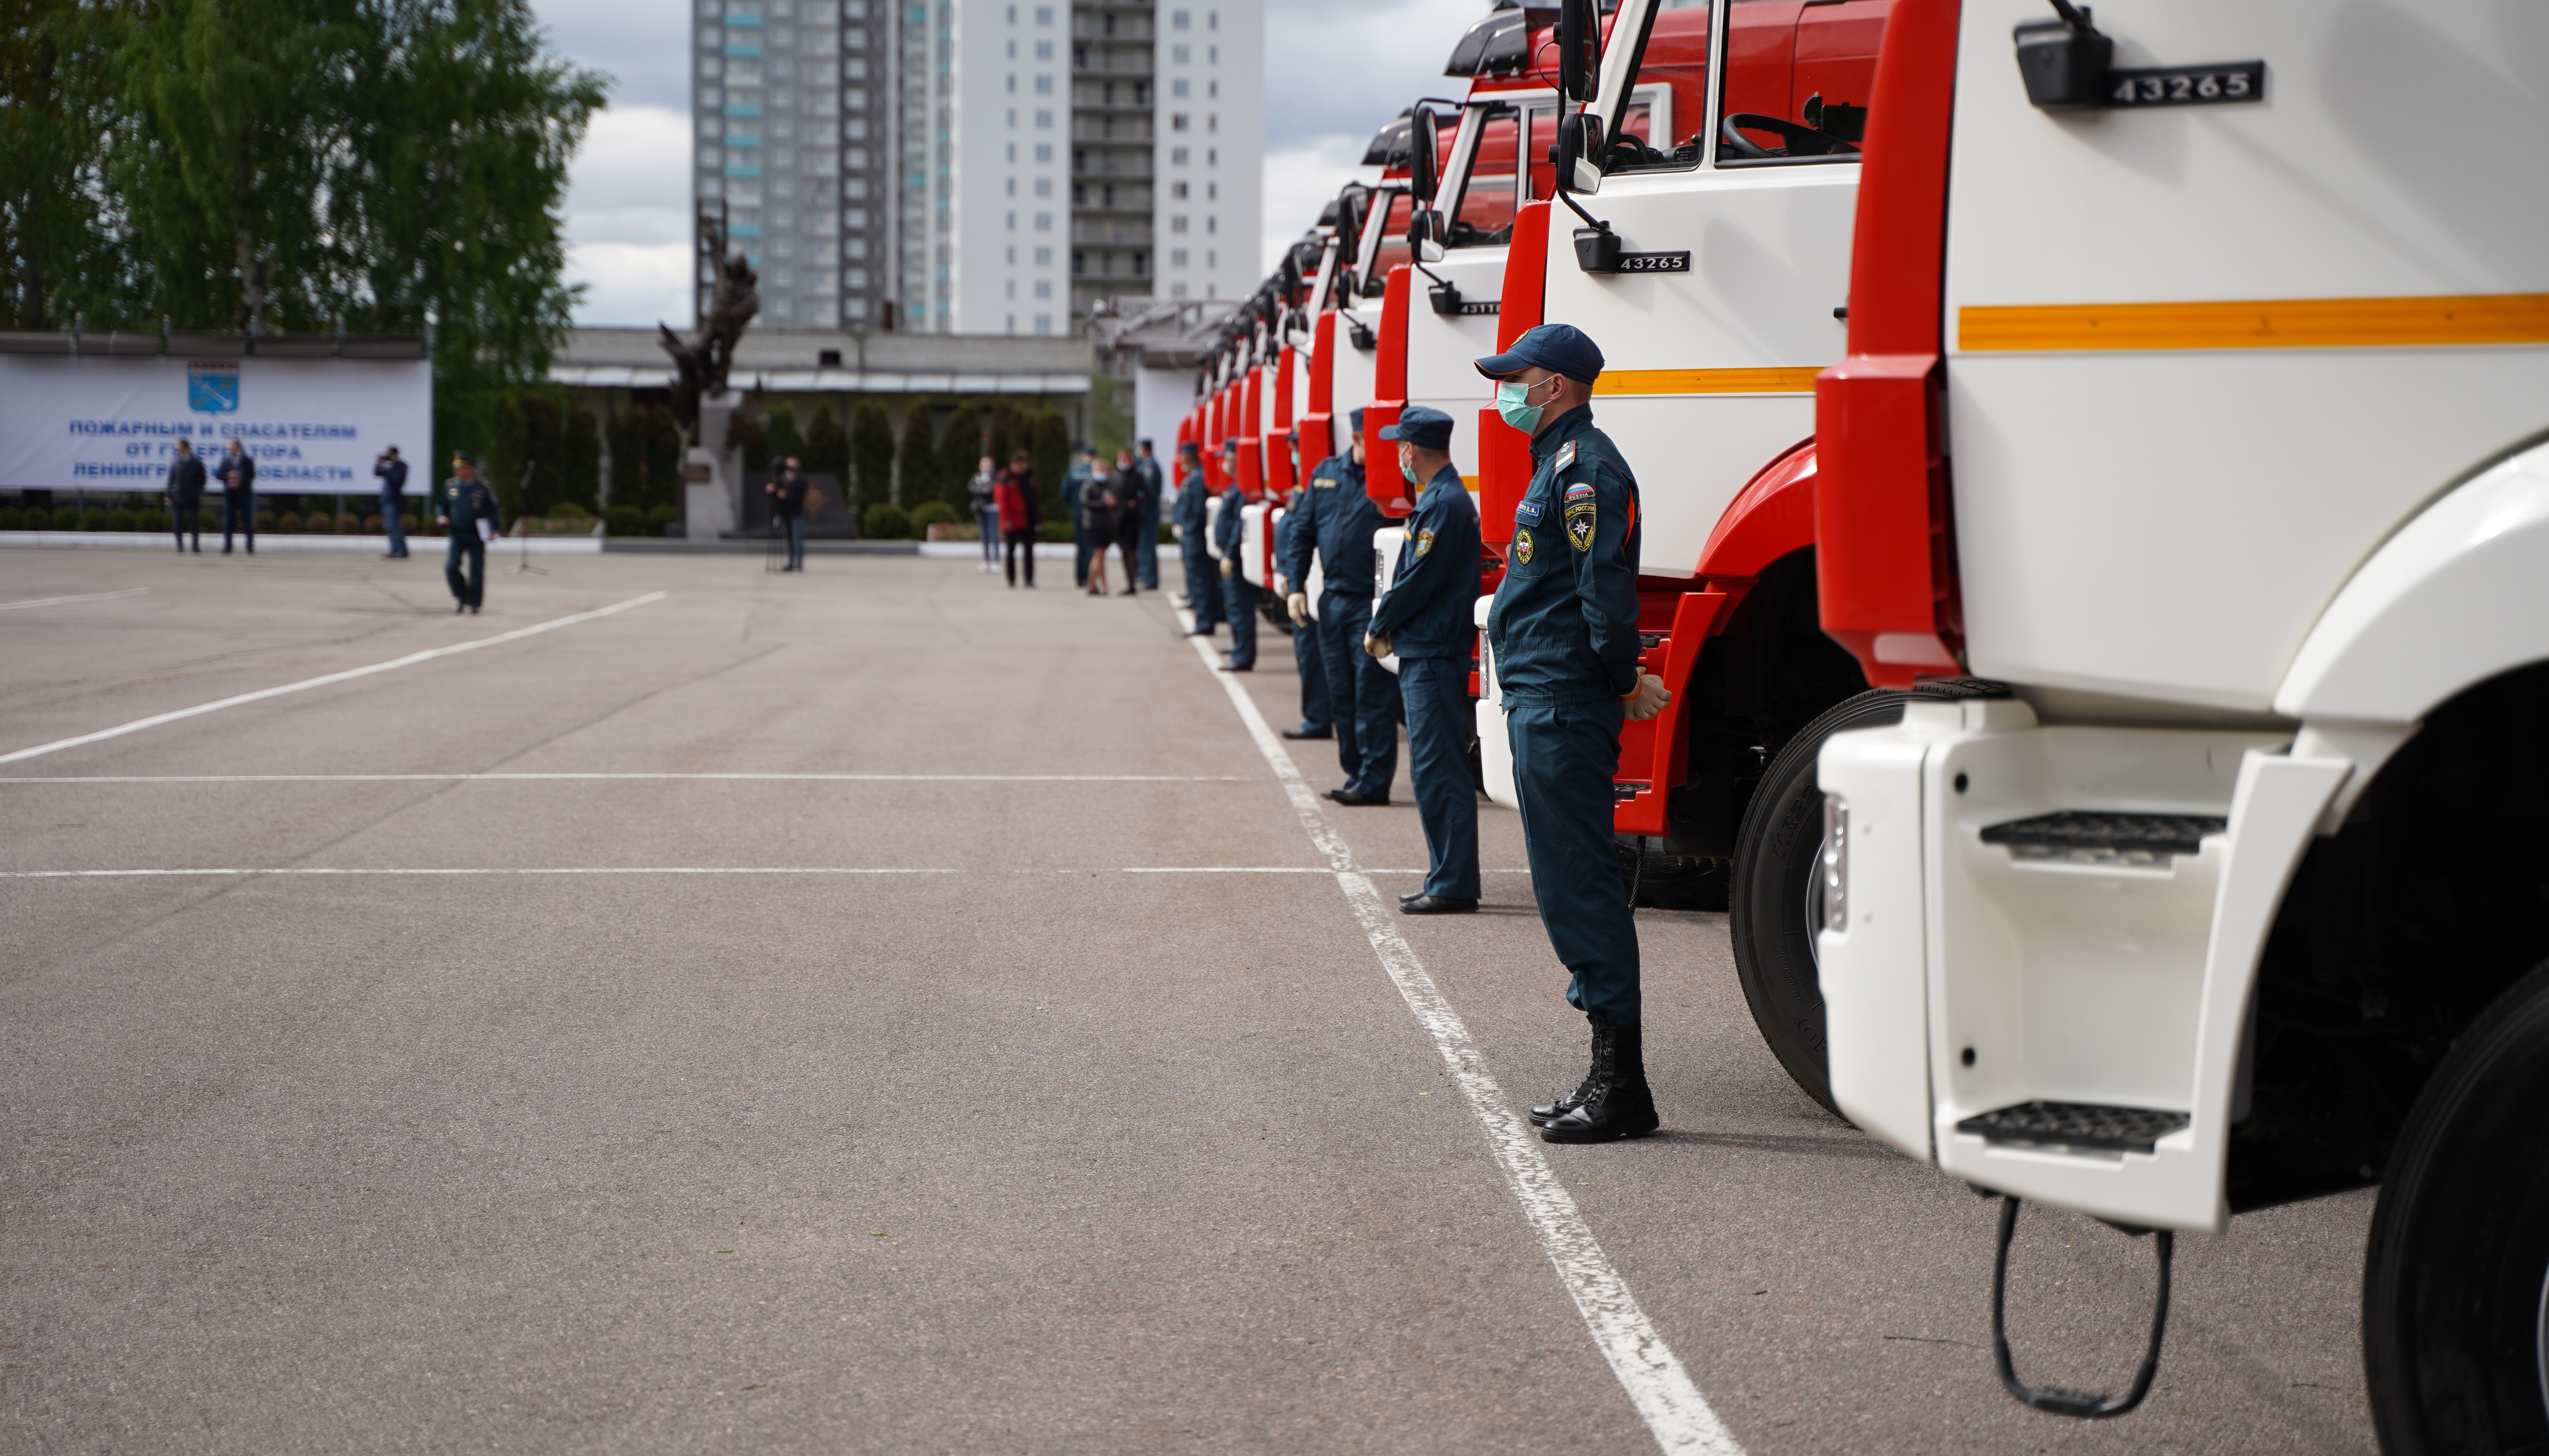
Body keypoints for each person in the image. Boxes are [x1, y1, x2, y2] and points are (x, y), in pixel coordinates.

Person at [1473, 324, 1673, 1143]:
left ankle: (1621, 1086)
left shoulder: (1584, 466)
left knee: (1578, 886)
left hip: (1561, 700)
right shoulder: (1555, 462)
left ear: (1553, 385)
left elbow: (1604, 593)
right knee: (1565, 887)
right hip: (1544, 696)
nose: (1503, 392)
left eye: (1513, 378)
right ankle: (1609, 1075)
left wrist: (1622, 680)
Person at [1366, 406, 1485, 915]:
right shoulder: (1443, 500)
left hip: (1433, 652)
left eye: (1399, 448)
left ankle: (1453, 883)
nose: (1398, 456)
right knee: (1434, 769)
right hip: (1429, 650)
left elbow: (1417, 580)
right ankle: (1445, 875)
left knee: (1440, 770)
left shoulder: (1443, 505)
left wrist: (1379, 623)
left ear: (1410, 450)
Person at [1278, 407, 1398, 807]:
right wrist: (1295, 586)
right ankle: (1354, 771)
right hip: (1331, 601)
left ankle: (1373, 780)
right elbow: (1301, 531)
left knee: (1371, 694)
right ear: (1357, 438)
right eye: (1365, 439)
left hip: (1369, 601)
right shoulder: (1327, 473)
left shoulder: (1393, 480)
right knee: (1340, 692)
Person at [1273, 476, 1331, 740]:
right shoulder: (1303, 489)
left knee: (1311, 654)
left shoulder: (1317, 487)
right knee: (1307, 654)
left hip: (1312, 585)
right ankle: (1316, 716)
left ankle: (1318, 718)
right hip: (1300, 583)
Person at [436, 452, 502, 614]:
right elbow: (441, 505)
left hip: (475, 534)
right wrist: (441, 515)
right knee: (451, 567)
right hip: (457, 533)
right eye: (456, 468)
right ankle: (461, 597)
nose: (458, 471)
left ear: (470, 469)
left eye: (461, 468)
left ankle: (474, 603)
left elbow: (493, 510)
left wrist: (493, 530)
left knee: (476, 570)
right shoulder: (450, 487)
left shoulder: (482, 488)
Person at [1172, 440, 1224, 637]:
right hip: (1191, 536)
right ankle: (1207, 617)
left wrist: (1188, 529)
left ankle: (1204, 621)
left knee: (1201, 580)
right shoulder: (1193, 477)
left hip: (1195, 537)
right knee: (1199, 579)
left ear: (1187, 457)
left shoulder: (1196, 479)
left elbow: (1197, 511)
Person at [1212, 438, 1255, 671]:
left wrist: (1230, 554)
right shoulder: (1236, 486)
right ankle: (1240, 647)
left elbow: (1240, 524)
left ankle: (1243, 656)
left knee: (1240, 608)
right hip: (1230, 556)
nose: (1225, 463)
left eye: (1227, 458)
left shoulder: (1243, 488)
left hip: (1235, 559)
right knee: (1234, 607)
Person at [995, 448, 1041, 587]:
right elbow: (1001, 502)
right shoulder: (1004, 478)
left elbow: (1035, 499)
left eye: (1026, 464)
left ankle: (1029, 579)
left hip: (1028, 520)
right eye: (1021, 465)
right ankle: (1011, 579)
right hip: (1012, 521)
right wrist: (1004, 521)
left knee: (1029, 551)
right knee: (1010, 551)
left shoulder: (1029, 478)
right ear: (1014, 464)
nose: (1024, 468)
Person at [1082, 452, 1120, 596]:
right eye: (1099, 470)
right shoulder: (1089, 486)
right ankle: (1095, 584)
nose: (1101, 473)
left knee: (1101, 555)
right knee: (1098, 555)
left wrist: (1114, 503)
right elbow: (1087, 503)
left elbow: (1116, 503)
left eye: (1104, 470)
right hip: (1093, 524)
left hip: (1106, 524)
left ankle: (1095, 585)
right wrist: (1104, 504)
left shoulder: (1109, 486)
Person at [1110, 448, 1146, 596]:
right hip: (1118, 518)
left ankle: (1132, 583)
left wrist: (1136, 502)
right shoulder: (1114, 477)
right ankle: (1129, 581)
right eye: (1121, 459)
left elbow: (1146, 495)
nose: (1124, 462)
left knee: (1130, 549)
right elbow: (1108, 492)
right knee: (1124, 550)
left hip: (1132, 518)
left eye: (1126, 459)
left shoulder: (1137, 477)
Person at [1063, 447, 1099, 587]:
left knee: (1080, 546)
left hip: (1078, 512)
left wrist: (1073, 505)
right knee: (1091, 547)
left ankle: (1080, 577)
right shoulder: (1096, 472)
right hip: (1094, 513)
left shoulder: (1073, 472)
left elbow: (1065, 493)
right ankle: (1089, 576)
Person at [766, 455, 810, 570]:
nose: (791, 467)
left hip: (796, 513)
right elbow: (773, 494)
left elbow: (800, 495)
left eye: (794, 465)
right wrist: (771, 491)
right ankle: (791, 562)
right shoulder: (780, 480)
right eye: (790, 465)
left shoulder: (801, 481)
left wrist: (787, 496)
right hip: (784, 512)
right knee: (788, 539)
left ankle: (798, 562)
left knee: (797, 539)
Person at [213, 437, 256, 554]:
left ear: (238, 447)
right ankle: (228, 546)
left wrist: (240, 482)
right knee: (228, 522)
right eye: (229, 447)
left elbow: (252, 476)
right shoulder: (226, 460)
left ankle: (249, 546)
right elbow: (218, 475)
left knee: (247, 521)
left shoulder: (247, 460)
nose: (229, 449)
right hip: (230, 496)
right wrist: (228, 476)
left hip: (244, 495)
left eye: (231, 446)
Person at [165, 438, 206, 554]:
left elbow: (202, 480)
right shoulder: (175, 462)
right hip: (178, 497)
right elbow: (171, 480)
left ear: (185, 447)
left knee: (194, 524)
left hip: (192, 498)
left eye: (178, 446)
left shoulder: (196, 462)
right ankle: (180, 546)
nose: (177, 449)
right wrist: (169, 496)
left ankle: (195, 546)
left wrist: (197, 492)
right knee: (178, 524)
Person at [1134, 438, 1164, 590]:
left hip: (1148, 513)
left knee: (1147, 547)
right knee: (1143, 546)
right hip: (1144, 513)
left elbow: (1148, 492)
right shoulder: (1145, 465)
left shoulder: (1150, 467)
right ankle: (1145, 576)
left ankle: (1150, 579)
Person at [968, 454, 1001, 574]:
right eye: (983, 464)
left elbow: (994, 489)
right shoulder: (978, 477)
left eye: (988, 464)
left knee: (993, 534)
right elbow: (972, 487)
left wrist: (986, 490)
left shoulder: (995, 476)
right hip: (981, 508)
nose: (986, 466)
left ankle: (996, 561)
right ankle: (986, 561)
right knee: (984, 535)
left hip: (992, 509)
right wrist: (982, 490)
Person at [374, 446, 409, 559]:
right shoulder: (390, 466)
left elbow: (396, 480)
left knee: (396, 526)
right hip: (386, 500)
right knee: (389, 527)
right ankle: (394, 549)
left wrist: (386, 469)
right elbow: (376, 473)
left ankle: (402, 550)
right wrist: (379, 463)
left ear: (396, 454)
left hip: (394, 500)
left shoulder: (401, 466)